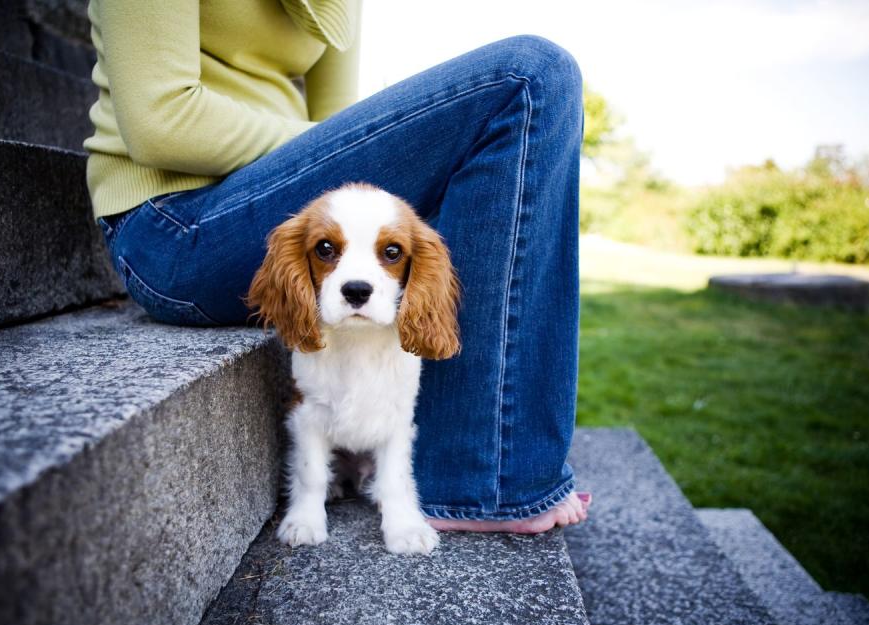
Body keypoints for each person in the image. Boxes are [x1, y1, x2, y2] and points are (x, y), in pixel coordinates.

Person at [85, 0, 590, 533]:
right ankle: (486, 478)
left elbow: (339, 124)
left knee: (524, 102)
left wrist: (345, 158)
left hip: (272, 183)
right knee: (529, 75)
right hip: (173, 222)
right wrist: (333, 151)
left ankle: (467, 459)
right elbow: (161, 120)